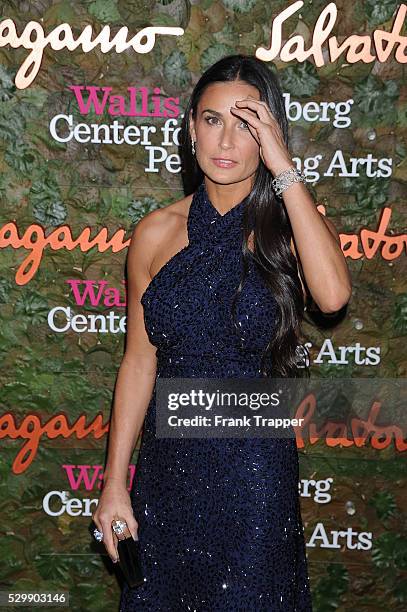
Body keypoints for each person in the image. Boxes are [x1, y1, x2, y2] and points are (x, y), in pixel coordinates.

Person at [92, 54, 351, 611]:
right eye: (212, 120)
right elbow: (139, 363)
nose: (226, 140)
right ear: (190, 129)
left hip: (255, 477)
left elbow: (333, 297)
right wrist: (115, 481)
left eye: (246, 123)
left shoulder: (290, 227)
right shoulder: (156, 233)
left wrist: (283, 166)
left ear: (269, 133)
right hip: (167, 478)